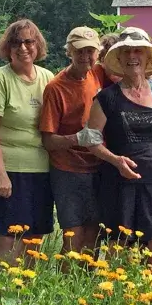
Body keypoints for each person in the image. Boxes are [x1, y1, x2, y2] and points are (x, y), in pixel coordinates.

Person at [83, 28, 152, 269]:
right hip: (118, 182)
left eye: (138, 51)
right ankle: (116, 301)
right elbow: (90, 140)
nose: (133, 56)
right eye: (126, 52)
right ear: (118, 59)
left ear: (147, 57)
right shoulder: (106, 98)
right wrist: (115, 160)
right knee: (116, 249)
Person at [0, 19, 54, 269]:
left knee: (34, 236)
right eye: (16, 42)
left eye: (28, 41)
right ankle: (0, 293)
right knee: (9, 235)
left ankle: (26, 292)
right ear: (7, 48)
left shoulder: (48, 78)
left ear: (38, 45)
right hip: (9, 170)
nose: (23, 48)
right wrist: (0, 175)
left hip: (41, 170)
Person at [40, 27, 102, 255]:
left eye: (90, 51)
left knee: (94, 233)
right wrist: (77, 138)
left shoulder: (97, 74)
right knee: (73, 236)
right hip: (68, 170)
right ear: (69, 52)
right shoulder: (56, 87)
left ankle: (89, 285)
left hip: (97, 167)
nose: (85, 57)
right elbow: (48, 140)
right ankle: (67, 286)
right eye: (79, 52)